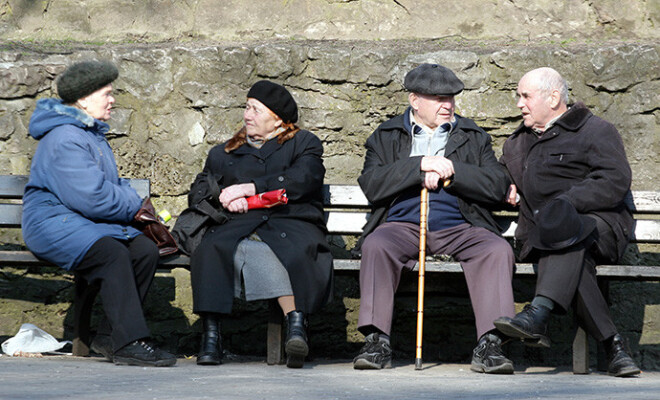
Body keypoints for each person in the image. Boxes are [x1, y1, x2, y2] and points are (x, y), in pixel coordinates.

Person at [352, 63, 516, 373]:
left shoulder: (472, 135)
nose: (448, 105)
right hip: (402, 225)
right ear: (415, 101)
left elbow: (497, 185)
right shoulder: (385, 136)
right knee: (376, 245)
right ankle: (376, 341)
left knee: (497, 250)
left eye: (451, 98)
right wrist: (419, 167)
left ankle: (492, 344)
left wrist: (452, 171)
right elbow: (371, 184)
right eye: (439, 98)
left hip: (461, 225)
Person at [22, 60, 176, 367]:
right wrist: (134, 202)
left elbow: (101, 193)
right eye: (106, 93)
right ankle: (130, 341)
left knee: (144, 249)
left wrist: (125, 201)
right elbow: (92, 198)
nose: (112, 99)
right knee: (112, 254)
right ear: (83, 99)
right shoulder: (66, 137)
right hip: (52, 224)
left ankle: (110, 337)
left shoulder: (91, 135)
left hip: (80, 222)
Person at [495, 67, 640, 377]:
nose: (519, 104)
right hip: (542, 236)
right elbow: (499, 176)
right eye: (518, 96)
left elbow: (615, 179)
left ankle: (539, 313)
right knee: (566, 247)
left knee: (566, 230)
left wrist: (568, 202)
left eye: (525, 96)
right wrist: (502, 184)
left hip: (601, 226)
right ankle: (613, 345)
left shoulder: (594, 130)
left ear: (554, 97)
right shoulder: (517, 143)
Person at [189, 80, 333, 368]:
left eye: (255, 109)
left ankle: (296, 327)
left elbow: (305, 180)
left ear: (277, 118)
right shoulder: (223, 153)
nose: (247, 115)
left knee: (287, 250)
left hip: (291, 222)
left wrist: (251, 188)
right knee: (211, 248)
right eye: (247, 107)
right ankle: (211, 339)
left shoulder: (303, 143)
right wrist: (224, 198)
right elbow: (198, 191)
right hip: (238, 225)